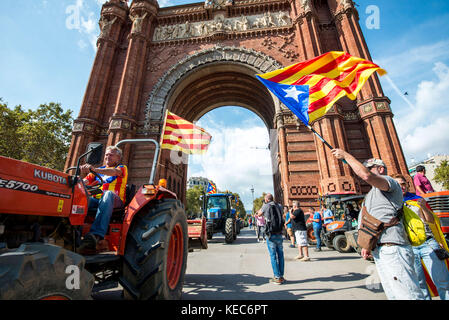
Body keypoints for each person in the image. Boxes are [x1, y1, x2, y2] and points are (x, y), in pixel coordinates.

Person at [331, 149, 424, 300]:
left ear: (380, 169)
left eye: (369, 168)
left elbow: (366, 175)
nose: (364, 171)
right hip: (380, 248)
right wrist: (367, 246)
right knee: (394, 294)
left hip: (393, 247)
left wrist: (346, 156)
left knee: (407, 295)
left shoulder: (390, 183)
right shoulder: (372, 194)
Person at [393, 173, 449, 300]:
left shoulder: (416, 200)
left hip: (428, 243)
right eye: (398, 185)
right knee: (419, 286)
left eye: (403, 184)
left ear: (407, 185)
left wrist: (423, 206)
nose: (401, 187)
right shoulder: (391, 204)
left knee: (443, 282)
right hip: (408, 247)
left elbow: (431, 221)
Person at [78, 146, 128, 254]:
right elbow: (84, 182)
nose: (107, 156)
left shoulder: (122, 168)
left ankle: (96, 235)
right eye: (106, 154)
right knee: (80, 198)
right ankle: (74, 231)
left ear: (118, 157)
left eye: (111, 155)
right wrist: (77, 179)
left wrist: (94, 169)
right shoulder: (96, 172)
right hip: (97, 201)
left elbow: (114, 172)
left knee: (108, 194)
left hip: (115, 201)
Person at [257, 193, 285, 284]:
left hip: (271, 233)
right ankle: (281, 276)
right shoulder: (279, 205)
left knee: (273, 256)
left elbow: (259, 215)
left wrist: (263, 205)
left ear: (266, 199)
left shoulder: (266, 206)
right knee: (280, 255)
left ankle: (277, 277)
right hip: (279, 233)